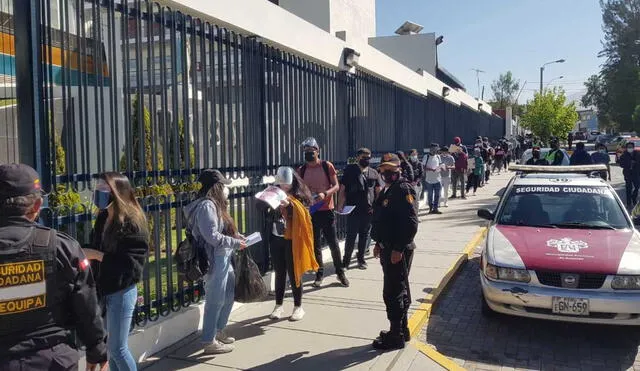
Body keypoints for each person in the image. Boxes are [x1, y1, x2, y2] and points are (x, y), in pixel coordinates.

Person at [0, 164, 108, 371]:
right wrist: (97, 350)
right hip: (51, 360)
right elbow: (86, 304)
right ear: (37, 205)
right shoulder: (61, 247)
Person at [84, 173, 150, 371]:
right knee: (112, 350)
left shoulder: (132, 223)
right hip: (105, 288)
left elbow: (131, 265)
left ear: (117, 192)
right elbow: (98, 246)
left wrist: (96, 255)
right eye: (98, 186)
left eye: (104, 187)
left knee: (118, 348)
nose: (98, 190)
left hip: (122, 290)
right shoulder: (104, 217)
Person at [184, 169, 247, 354]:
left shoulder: (214, 205)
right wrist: (235, 242)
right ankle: (208, 340)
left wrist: (236, 237)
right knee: (215, 300)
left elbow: (219, 232)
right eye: (222, 186)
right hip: (214, 259)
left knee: (227, 295)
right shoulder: (206, 207)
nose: (225, 190)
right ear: (215, 187)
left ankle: (218, 330)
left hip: (222, 255)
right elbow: (211, 236)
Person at [371, 153, 418, 350]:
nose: (387, 173)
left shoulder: (403, 189)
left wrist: (398, 248)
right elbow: (383, 220)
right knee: (398, 289)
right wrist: (379, 243)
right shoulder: (389, 190)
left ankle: (395, 335)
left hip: (398, 249)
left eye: (391, 170)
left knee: (393, 292)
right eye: (384, 170)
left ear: (399, 169)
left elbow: (410, 223)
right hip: (388, 247)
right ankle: (402, 329)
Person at [267, 167, 318, 321]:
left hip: (292, 239)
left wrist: (289, 206)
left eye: (287, 184)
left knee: (294, 272)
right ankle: (278, 305)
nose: (284, 187)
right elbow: (263, 210)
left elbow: (303, 214)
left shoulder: (299, 196)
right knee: (279, 272)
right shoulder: (273, 192)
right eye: (281, 184)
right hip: (277, 237)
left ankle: (298, 307)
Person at [298, 137, 349, 288]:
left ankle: (340, 273)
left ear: (317, 151)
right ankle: (319, 274)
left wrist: (325, 194)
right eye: (306, 152)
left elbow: (336, 186)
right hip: (311, 211)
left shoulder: (327, 166)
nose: (309, 154)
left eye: (311, 151)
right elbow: (299, 189)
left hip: (326, 210)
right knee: (315, 245)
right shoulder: (302, 170)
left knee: (333, 243)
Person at [338, 148, 380, 270]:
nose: (366, 159)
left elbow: (377, 191)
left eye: (368, 157)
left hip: (368, 210)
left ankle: (360, 259)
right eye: (364, 157)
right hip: (353, 209)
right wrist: (340, 204)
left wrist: (376, 206)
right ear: (358, 158)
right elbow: (343, 189)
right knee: (351, 236)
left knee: (364, 235)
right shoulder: (350, 171)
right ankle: (346, 261)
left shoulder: (373, 173)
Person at [422, 143, 443, 214]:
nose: (435, 150)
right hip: (429, 180)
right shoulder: (426, 156)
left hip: (438, 179)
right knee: (430, 195)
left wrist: (442, 168)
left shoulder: (438, 157)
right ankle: (431, 208)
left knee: (437, 195)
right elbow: (423, 167)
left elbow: (440, 165)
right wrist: (431, 169)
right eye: (434, 149)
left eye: (436, 149)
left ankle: (435, 208)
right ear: (431, 149)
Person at [619, 142, 640, 208]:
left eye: (631, 147)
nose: (630, 148)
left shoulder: (637, 154)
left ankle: (633, 198)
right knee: (628, 188)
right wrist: (629, 163)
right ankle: (628, 203)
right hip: (628, 174)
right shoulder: (624, 155)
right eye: (628, 147)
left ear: (633, 147)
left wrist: (635, 163)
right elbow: (621, 164)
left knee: (637, 187)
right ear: (626, 148)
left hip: (636, 173)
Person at [407, 149, 424, 215]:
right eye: (412, 155)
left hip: (417, 185)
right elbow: (405, 174)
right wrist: (410, 182)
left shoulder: (419, 163)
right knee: (410, 201)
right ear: (409, 156)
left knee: (417, 201)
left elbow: (421, 174)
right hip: (409, 185)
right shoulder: (407, 164)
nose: (414, 156)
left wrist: (416, 181)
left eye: (415, 155)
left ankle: (416, 215)